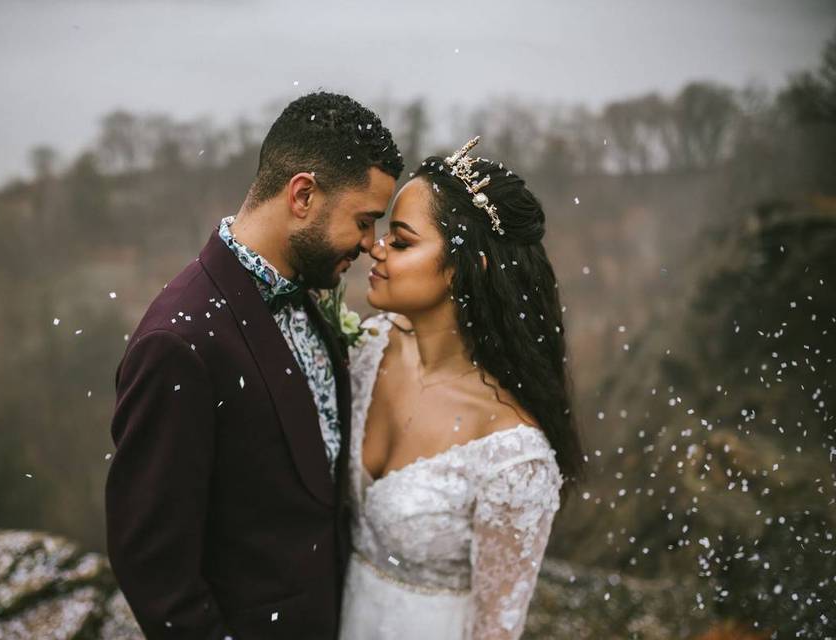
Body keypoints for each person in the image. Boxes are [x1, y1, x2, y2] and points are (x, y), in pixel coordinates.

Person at [105, 92, 403, 639]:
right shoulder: (178, 342)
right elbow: (153, 565)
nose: (369, 244)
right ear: (303, 194)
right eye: (364, 221)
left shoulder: (310, 291)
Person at [339, 137, 585, 639]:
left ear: (469, 266)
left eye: (402, 242)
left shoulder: (514, 456)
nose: (375, 249)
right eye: (383, 234)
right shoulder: (369, 348)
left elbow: (496, 629)